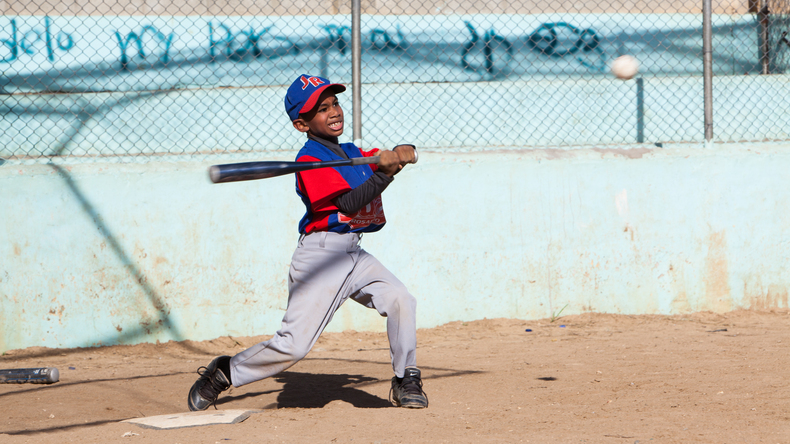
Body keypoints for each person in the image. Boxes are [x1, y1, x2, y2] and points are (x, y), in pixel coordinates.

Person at [187, 74, 427, 411]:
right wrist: (385, 173)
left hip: (352, 252)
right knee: (293, 347)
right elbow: (348, 204)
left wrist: (402, 153)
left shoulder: (352, 152)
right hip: (320, 259)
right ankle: (225, 372)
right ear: (302, 124)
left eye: (335, 103)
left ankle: (406, 378)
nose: (334, 111)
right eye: (321, 108)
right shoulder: (309, 161)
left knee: (401, 298)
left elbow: (385, 156)